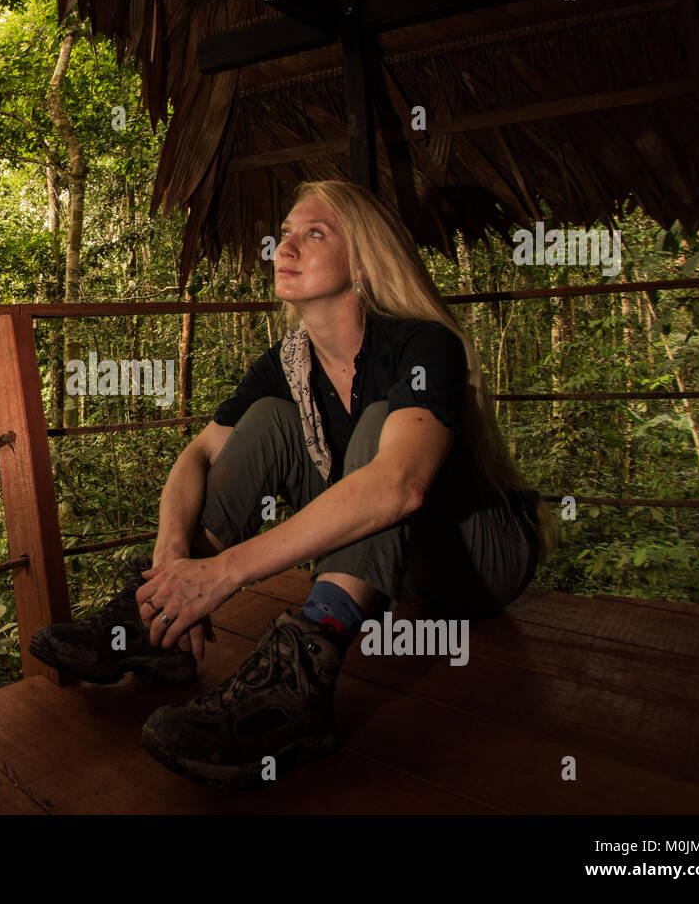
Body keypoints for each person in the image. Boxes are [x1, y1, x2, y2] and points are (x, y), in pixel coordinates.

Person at [30, 179, 556, 789]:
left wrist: (227, 573)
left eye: (314, 233)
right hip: (391, 561)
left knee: (381, 424)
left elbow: (400, 486)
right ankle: (155, 626)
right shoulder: (290, 363)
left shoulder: (420, 343)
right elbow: (197, 455)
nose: (285, 247)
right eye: (283, 234)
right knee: (268, 420)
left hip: (476, 561)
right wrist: (175, 565)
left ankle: (300, 678)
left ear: (361, 261)